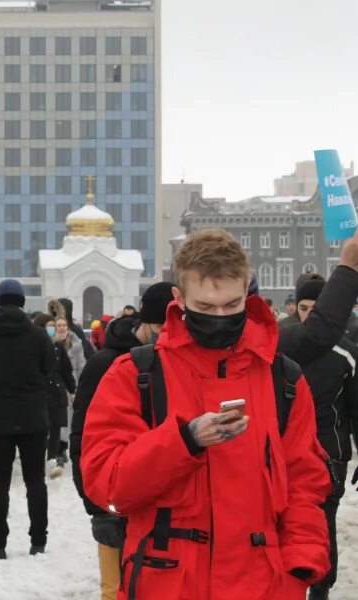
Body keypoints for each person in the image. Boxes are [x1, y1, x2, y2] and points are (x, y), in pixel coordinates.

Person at [82, 229, 331, 599]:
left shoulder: (283, 378)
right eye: (206, 307)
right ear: (179, 299)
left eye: (232, 306)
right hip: (168, 583)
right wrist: (183, 441)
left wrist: (301, 564)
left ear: (248, 293)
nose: (220, 316)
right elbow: (108, 485)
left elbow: (304, 481)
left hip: (264, 583)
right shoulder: (136, 375)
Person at [69, 282, 175, 600]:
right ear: (146, 324)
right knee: (115, 590)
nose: (169, 335)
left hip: (157, 499)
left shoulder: (172, 362)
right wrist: (95, 504)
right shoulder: (105, 364)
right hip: (112, 500)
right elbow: (83, 437)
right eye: (161, 327)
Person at [280, 272, 358, 600]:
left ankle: (321, 589)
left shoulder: (347, 353)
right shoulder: (282, 345)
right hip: (286, 455)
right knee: (286, 524)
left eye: (316, 306)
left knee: (322, 526)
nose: (309, 313)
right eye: (303, 306)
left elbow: (356, 409)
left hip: (329, 452)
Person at [0, 279, 56, 559]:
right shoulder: (38, 335)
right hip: (33, 417)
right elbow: (48, 369)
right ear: (21, 302)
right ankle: (38, 542)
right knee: (35, 481)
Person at [32, 314, 76, 479]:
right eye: (49, 326)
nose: (52, 329)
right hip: (40, 393)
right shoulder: (34, 346)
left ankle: (52, 459)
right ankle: (38, 459)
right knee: (41, 429)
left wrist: (73, 391)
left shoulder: (58, 346)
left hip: (57, 392)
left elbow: (66, 370)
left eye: (53, 325)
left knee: (56, 428)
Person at [53, 315, 87, 469]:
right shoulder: (51, 343)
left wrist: (80, 386)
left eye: (63, 325)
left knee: (70, 419)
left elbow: (81, 365)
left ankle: (64, 448)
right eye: (58, 325)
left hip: (71, 386)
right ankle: (58, 450)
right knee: (59, 419)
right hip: (56, 386)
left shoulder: (76, 344)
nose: (61, 328)